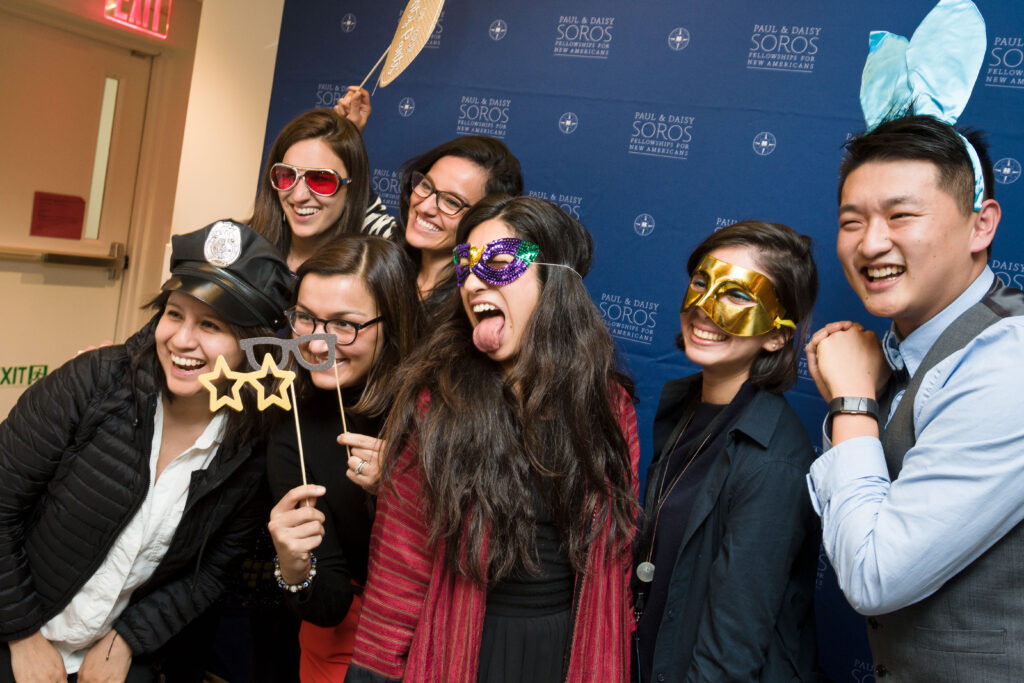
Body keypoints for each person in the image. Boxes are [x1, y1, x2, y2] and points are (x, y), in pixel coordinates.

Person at [344, 196, 639, 683]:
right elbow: (402, 561)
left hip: (568, 650)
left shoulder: (608, 406)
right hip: (465, 649)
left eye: (499, 263)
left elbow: (616, 554)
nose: (475, 280)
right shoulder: (437, 401)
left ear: (554, 279)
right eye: (466, 265)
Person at [0, 220, 292, 682]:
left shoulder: (252, 448)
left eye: (211, 324)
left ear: (254, 347)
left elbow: (210, 573)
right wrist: (21, 635)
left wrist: (128, 639)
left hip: (111, 653)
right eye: (174, 314)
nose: (181, 340)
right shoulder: (95, 381)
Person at [807, 113, 1023, 680]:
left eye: (901, 215)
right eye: (851, 221)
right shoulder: (909, 349)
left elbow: (874, 573)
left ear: (981, 225)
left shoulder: (1009, 361)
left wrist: (853, 403)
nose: (872, 242)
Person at [633, 221, 820, 682]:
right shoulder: (684, 410)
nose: (704, 307)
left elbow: (730, 654)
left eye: (738, 295)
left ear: (777, 335)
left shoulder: (773, 460)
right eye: (701, 281)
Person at [266, 236, 423, 681]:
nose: (318, 345)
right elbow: (329, 603)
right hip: (344, 644)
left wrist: (401, 491)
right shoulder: (293, 423)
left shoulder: (438, 407)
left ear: (391, 323)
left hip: (441, 628)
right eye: (306, 320)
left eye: (344, 325)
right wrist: (295, 568)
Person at [249, 108, 396, 272]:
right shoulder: (242, 249)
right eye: (288, 175)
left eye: (320, 180)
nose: (298, 196)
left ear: (352, 188)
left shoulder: (370, 273)